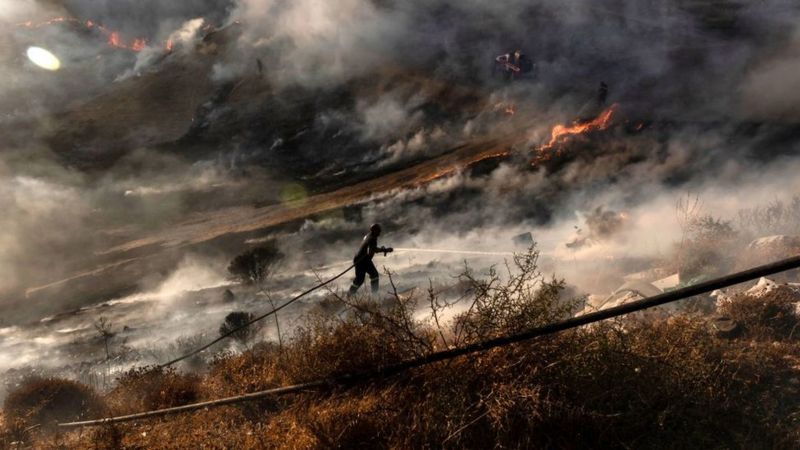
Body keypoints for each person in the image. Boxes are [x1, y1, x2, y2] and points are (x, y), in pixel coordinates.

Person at [348, 223, 393, 296]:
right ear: (374, 231)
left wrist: (381, 249)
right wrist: (385, 250)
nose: (379, 233)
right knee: (374, 275)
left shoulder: (367, 236)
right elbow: (373, 249)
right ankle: (374, 295)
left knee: (359, 279)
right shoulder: (372, 238)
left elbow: (371, 249)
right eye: (378, 231)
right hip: (363, 260)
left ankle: (350, 294)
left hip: (358, 258)